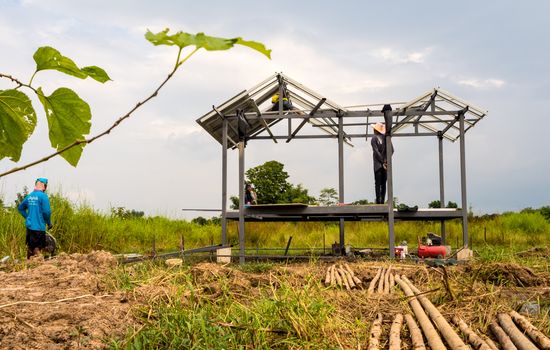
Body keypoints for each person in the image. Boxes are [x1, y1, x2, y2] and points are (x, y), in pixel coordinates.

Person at [18, 178, 52, 259]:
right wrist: (49, 222)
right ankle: (39, 263)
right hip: (39, 228)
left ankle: (28, 265)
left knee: (30, 248)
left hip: (29, 227)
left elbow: (20, 208)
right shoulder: (43, 196)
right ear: (44, 186)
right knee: (37, 248)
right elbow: (47, 212)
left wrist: (28, 217)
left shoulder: (29, 196)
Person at [371, 122, 393, 204]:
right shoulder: (386, 138)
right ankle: (382, 201)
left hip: (378, 165)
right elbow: (392, 150)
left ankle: (378, 201)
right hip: (386, 165)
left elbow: (376, 151)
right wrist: (386, 161)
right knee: (384, 184)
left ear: (375, 130)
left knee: (378, 183)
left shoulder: (374, 138)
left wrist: (382, 161)